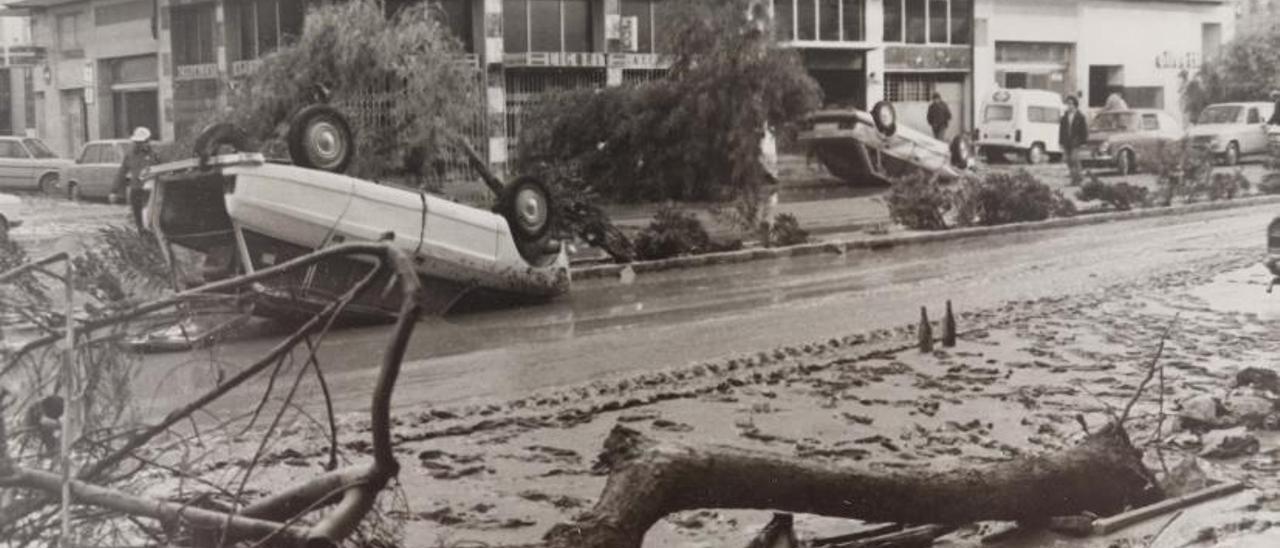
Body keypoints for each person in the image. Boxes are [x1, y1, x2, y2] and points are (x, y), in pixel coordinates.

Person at [110, 127, 160, 231]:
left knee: (150, 216)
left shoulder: (155, 154)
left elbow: (162, 169)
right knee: (138, 217)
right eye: (138, 142)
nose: (141, 145)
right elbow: (121, 172)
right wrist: (114, 191)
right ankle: (142, 234)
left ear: (148, 141)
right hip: (136, 189)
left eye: (143, 142)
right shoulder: (130, 155)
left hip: (151, 190)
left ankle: (151, 234)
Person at [1059, 96, 1088, 186]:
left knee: (1074, 158)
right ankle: (1074, 179)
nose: (1069, 106)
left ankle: (1079, 178)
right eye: (1068, 104)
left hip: (1076, 142)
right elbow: (1061, 130)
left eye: (1071, 104)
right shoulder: (1064, 117)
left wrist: (1083, 142)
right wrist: (1061, 142)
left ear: (1075, 105)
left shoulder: (1080, 117)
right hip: (1067, 142)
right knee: (1068, 160)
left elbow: (1084, 130)